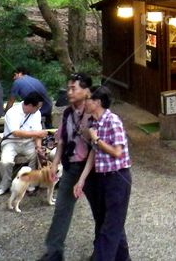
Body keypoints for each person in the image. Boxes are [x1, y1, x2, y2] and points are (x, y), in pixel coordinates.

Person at [38, 73, 93, 261]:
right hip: (72, 167)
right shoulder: (68, 112)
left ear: (86, 91)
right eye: (68, 88)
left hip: (93, 170)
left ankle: (109, 252)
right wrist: (54, 164)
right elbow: (61, 140)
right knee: (62, 209)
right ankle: (54, 253)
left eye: (73, 88)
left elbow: (96, 147)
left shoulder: (94, 112)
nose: (69, 92)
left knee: (102, 211)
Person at [74, 86, 132, 261]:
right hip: (102, 178)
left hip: (118, 178)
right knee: (111, 222)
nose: (86, 102)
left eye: (88, 99)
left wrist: (96, 139)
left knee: (110, 227)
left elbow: (117, 152)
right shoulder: (95, 123)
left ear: (97, 102)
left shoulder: (113, 121)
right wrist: (81, 180)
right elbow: (94, 153)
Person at [0, 91, 46, 196]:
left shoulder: (36, 113)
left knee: (36, 156)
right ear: (31, 105)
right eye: (38, 107)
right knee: (5, 161)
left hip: (28, 142)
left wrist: (38, 147)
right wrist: (37, 133)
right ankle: (5, 184)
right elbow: (16, 132)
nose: (39, 110)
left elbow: (38, 134)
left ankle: (30, 182)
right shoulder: (12, 112)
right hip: (11, 142)